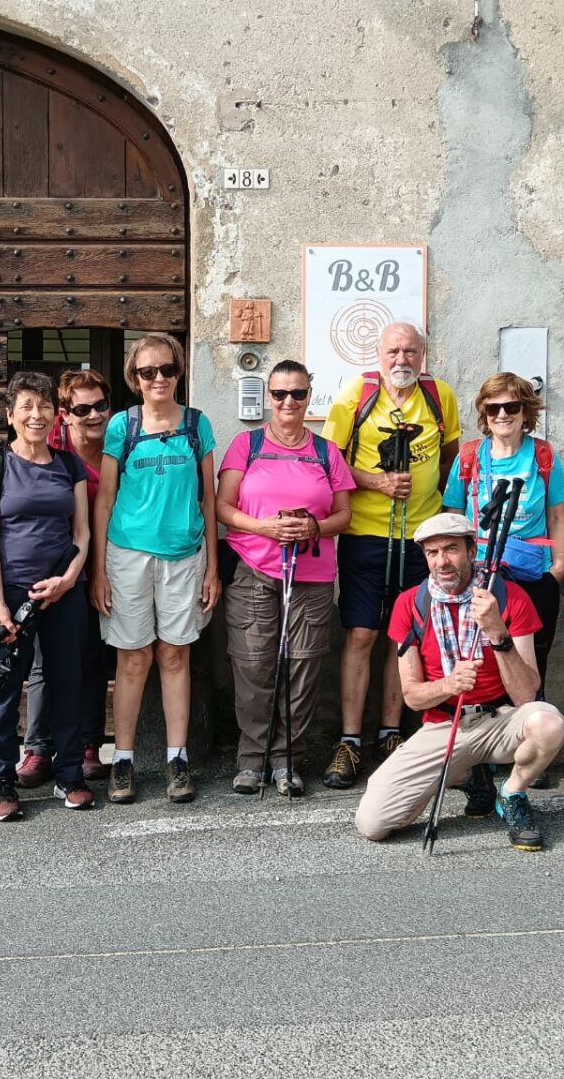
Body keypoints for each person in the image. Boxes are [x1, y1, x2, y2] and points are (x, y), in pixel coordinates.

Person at [354, 512, 564, 850]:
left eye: (451, 549)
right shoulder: (410, 604)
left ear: (471, 550)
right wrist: (449, 685)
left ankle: (512, 794)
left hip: (500, 719)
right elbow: (412, 696)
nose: (442, 561)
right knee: (373, 824)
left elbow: (527, 693)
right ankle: (469, 776)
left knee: (548, 722)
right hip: (444, 725)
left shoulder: (508, 597)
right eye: (432, 552)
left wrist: (498, 631)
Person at [319, 322, 461, 789]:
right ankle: (350, 740)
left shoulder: (439, 395)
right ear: (379, 354)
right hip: (365, 534)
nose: (402, 360)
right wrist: (378, 482)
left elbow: (449, 459)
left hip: (420, 540)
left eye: (411, 352)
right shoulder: (353, 396)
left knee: (408, 638)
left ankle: (391, 733)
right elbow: (331, 462)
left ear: (423, 355)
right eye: (393, 351)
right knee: (361, 634)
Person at [215, 359, 355, 795]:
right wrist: (265, 527)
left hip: (311, 573)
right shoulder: (247, 444)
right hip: (255, 569)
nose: (288, 402)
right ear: (268, 398)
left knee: (302, 666)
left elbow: (344, 514)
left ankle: (287, 758)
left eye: (297, 393)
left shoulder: (326, 451)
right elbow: (223, 507)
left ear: (309, 396)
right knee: (254, 664)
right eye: (279, 394)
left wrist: (313, 527)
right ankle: (252, 758)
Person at [91, 333, 219, 804]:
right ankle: (122, 760)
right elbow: (104, 499)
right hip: (128, 555)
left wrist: (212, 568)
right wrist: (99, 571)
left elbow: (208, 499)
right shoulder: (122, 427)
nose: (159, 379)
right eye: (148, 372)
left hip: (185, 555)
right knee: (133, 658)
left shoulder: (197, 425)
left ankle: (177, 758)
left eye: (167, 369)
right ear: (134, 378)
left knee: (174, 655)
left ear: (179, 372)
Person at [0, 371, 93, 820]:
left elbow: (82, 532)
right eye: (26, 407)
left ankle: (70, 774)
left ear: (55, 415)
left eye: (43, 407)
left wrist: (67, 579)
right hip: (10, 593)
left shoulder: (69, 464)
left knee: (65, 682)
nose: (36, 415)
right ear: (10, 416)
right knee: (2, 689)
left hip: (63, 589)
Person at [12, 368, 113, 790]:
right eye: (81, 408)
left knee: (90, 659)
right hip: (54, 569)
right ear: (64, 415)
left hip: (103, 566)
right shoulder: (52, 449)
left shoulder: (118, 448)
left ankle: (89, 746)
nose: (93, 415)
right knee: (41, 663)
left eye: (100, 406)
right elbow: (7, 458)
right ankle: (38, 748)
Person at [442, 372, 564, 694]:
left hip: (534, 574)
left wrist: (557, 568)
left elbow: (557, 516)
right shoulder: (470, 457)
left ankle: (532, 728)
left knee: (534, 658)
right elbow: (454, 516)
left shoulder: (543, 456)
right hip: (481, 574)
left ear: (525, 411)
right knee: (484, 654)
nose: (502, 415)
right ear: (485, 415)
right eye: (493, 408)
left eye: (511, 407)